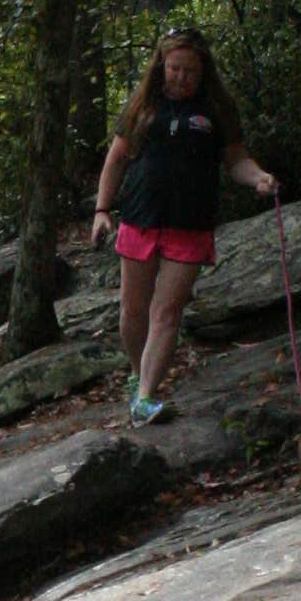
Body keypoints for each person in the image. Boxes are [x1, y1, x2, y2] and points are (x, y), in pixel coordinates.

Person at [89, 27, 277, 426]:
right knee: (133, 311)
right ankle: (139, 376)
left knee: (167, 310)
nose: (181, 77)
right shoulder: (143, 105)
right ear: (162, 67)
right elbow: (117, 159)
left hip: (190, 225)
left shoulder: (215, 111)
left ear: (203, 72)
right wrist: (102, 210)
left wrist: (258, 177)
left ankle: (144, 397)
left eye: (189, 71)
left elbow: (237, 160)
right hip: (140, 218)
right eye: (174, 69)